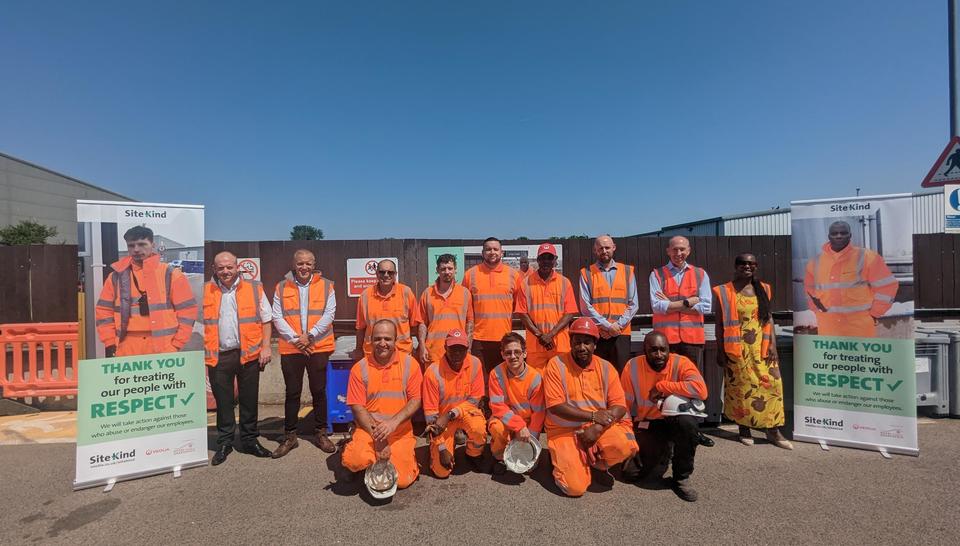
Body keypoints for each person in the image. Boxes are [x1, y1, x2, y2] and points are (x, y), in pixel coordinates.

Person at [542, 317, 638, 497]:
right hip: (564, 431)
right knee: (575, 488)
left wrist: (597, 427)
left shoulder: (606, 367)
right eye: (577, 342)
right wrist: (594, 417)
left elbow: (619, 406)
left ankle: (597, 465)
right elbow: (556, 407)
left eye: (587, 342)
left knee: (624, 445)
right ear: (570, 342)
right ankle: (561, 461)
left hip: (595, 428)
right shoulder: (556, 365)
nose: (581, 347)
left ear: (595, 344)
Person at [202, 251, 274, 465]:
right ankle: (224, 442)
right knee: (223, 402)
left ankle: (249, 441)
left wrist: (266, 347)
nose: (225, 271)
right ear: (214, 269)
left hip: (249, 354)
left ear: (237, 267)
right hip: (219, 355)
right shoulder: (204, 291)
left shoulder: (254, 288)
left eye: (229, 267)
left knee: (249, 400)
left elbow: (267, 320)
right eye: (221, 268)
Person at [714, 254, 792, 449]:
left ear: (755, 267)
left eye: (751, 263)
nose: (747, 266)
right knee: (741, 389)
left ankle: (772, 430)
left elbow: (769, 318)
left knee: (773, 385)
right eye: (742, 263)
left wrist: (773, 344)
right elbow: (719, 324)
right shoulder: (725, 291)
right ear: (735, 266)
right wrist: (720, 350)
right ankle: (744, 428)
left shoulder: (763, 288)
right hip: (737, 350)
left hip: (762, 347)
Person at [621, 331, 708, 502]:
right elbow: (623, 407)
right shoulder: (632, 366)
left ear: (669, 350)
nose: (659, 355)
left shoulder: (681, 363)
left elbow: (701, 390)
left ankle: (681, 477)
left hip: (675, 421)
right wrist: (629, 442)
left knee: (687, 424)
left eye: (663, 350)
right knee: (630, 474)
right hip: (648, 424)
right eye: (653, 350)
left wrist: (662, 386)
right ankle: (665, 450)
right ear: (644, 350)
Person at [341, 320, 423, 490]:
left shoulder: (410, 364)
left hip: (400, 432)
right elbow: (357, 407)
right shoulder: (359, 368)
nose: (382, 344)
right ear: (370, 340)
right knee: (354, 460)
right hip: (369, 431)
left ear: (396, 341)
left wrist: (393, 423)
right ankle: (363, 458)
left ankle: (390, 461)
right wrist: (378, 439)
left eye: (387, 339)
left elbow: (416, 400)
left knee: (402, 481)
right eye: (378, 339)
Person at [648, 235, 714, 447]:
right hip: (665, 342)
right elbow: (657, 305)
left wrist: (673, 303)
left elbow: (706, 306)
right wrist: (688, 302)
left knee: (692, 386)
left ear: (689, 250)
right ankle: (668, 430)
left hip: (692, 340)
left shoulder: (700, 274)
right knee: (664, 385)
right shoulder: (657, 274)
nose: (679, 253)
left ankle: (692, 432)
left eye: (683, 249)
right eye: (675, 249)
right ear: (668, 251)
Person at [271, 249, 337, 457]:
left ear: (314, 264)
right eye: (300, 263)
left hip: (318, 346)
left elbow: (329, 313)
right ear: (294, 264)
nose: (304, 268)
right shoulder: (281, 287)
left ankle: (321, 432)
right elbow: (277, 316)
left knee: (319, 391)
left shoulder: (326, 285)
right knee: (292, 393)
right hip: (292, 348)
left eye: (308, 264)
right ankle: (290, 436)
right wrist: (295, 339)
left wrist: (310, 336)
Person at [95, 226, 197, 357]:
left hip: (164, 348)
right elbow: (104, 312)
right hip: (126, 347)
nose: (136, 249)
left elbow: (187, 312)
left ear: (153, 245)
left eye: (142, 244)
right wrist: (110, 342)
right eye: (131, 245)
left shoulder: (171, 274)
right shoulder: (115, 277)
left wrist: (176, 344)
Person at [803, 221, 899, 338]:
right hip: (828, 327)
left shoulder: (867, 257)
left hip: (859, 328)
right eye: (835, 233)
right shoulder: (815, 262)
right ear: (829, 236)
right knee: (831, 356)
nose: (839, 236)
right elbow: (809, 291)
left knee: (862, 356)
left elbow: (887, 286)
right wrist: (817, 312)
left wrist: (875, 313)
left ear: (850, 235)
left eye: (843, 233)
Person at [422, 329, 486, 478]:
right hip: (441, 423)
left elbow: (474, 401)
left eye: (461, 349)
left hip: (463, 415)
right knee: (442, 472)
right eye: (453, 348)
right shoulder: (432, 373)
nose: (457, 353)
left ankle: (473, 454)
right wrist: (442, 447)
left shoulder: (475, 364)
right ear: (445, 347)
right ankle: (441, 447)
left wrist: (451, 414)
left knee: (478, 427)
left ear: (468, 347)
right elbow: (431, 418)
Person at [462, 237, 521, 378]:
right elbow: (464, 307)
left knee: (502, 380)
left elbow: (517, 304)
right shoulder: (470, 274)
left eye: (495, 249)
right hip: (478, 339)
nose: (492, 252)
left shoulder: (513, 275)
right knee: (479, 380)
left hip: (503, 338)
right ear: (482, 253)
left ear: (502, 252)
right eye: (488, 249)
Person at [579, 235, 639, 372]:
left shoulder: (627, 271)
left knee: (622, 374)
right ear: (595, 250)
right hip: (598, 334)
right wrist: (607, 327)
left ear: (614, 248)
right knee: (598, 374)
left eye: (607, 247)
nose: (604, 251)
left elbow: (633, 303)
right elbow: (585, 306)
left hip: (621, 333)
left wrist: (616, 326)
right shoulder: (586, 273)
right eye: (600, 248)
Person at [487, 332, 545, 474]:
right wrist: (518, 427)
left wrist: (530, 437)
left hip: (527, 426)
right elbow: (497, 407)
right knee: (496, 428)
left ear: (525, 353)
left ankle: (522, 445)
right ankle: (500, 455)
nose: (513, 356)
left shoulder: (535, 378)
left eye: (517, 352)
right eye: (508, 353)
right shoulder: (496, 374)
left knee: (530, 468)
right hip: (507, 421)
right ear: (502, 355)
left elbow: (539, 413)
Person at [514, 243, 578, 371]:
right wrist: (540, 335)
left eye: (550, 258)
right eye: (543, 258)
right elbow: (522, 313)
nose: (546, 261)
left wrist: (550, 335)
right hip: (535, 345)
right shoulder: (526, 283)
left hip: (560, 345)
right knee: (537, 383)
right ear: (538, 260)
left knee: (561, 381)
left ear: (555, 260)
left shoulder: (564, 282)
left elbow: (570, 312)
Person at [354, 259, 421, 361]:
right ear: (376, 274)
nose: (386, 275)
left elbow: (416, 325)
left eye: (390, 272)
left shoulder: (406, 293)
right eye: (382, 272)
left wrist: (421, 347)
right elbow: (360, 328)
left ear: (395, 274)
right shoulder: (365, 296)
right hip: (373, 356)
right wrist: (358, 350)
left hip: (402, 355)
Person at [418, 254, 474, 365]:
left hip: (458, 351)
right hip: (433, 352)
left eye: (450, 268)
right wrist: (422, 347)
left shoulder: (465, 293)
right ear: (437, 270)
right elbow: (422, 323)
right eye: (443, 269)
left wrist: (468, 347)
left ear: (455, 270)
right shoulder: (427, 293)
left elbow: (470, 323)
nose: (447, 272)